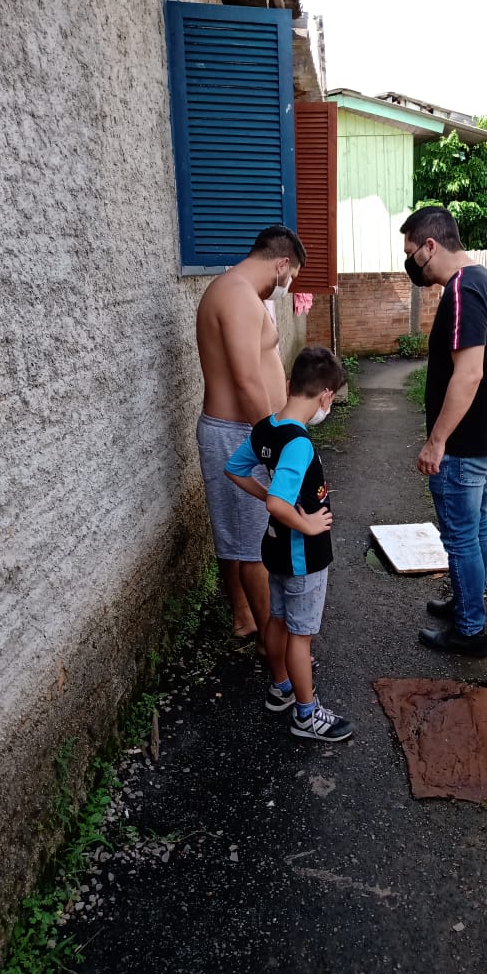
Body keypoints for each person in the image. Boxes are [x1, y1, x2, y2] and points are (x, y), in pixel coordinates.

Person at [400, 206, 487, 657]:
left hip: (465, 446)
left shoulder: (462, 291)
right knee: (476, 526)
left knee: (461, 537)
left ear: (430, 246)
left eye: (412, 252)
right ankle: (467, 604)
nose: (411, 263)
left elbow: (468, 375)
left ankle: (470, 632)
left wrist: (436, 442)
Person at [224, 346, 353, 742]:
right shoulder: (299, 443)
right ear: (325, 396)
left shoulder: (266, 427)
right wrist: (307, 524)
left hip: (276, 549)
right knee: (301, 634)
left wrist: (268, 495)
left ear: (289, 383)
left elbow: (234, 468)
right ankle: (306, 715)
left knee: (278, 619)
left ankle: (281, 687)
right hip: (301, 557)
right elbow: (279, 504)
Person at [195, 225, 306, 654]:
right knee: (253, 545)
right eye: (291, 276)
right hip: (239, 432)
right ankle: (271, 643)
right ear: (282, 264)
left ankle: (245, 619)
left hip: (235, 430)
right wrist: (273, 443)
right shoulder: (239, 295)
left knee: (236, 537)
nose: (288, 285)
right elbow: (245, 380)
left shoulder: (233, 290)